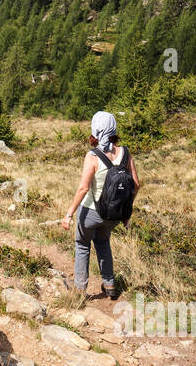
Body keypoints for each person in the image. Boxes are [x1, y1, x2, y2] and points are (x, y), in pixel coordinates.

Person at [60, 111, 140, 298]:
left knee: (82, 244)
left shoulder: (93, 156)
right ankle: (110, 284)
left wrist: (69, 214)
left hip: (91, 212)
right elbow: (136, 184)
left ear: (95, 129)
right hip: (114, 215)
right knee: (103, 241)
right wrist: (126, 212)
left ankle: (80, 290)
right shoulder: (125, 153)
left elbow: (83, 188)